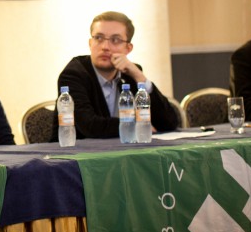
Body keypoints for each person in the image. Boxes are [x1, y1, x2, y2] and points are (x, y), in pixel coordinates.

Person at [57, 11, 179, 139]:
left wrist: (140, 77)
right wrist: (137, 125)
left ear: (128, 48)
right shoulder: (73, 75)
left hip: (124, 148)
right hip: (78, 150)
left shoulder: (131, 73)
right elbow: (89, 125)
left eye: (115, 40)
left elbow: (168, 123)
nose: (105, 47)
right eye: (98, 38)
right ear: (90, 43)